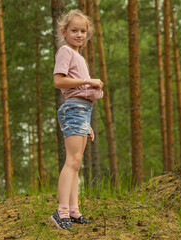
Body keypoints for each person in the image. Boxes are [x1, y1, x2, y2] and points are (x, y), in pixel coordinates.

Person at [50, 9, 104, 231]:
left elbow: (79, 94)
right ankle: (60, 212)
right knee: (71, 162)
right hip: (73, 110)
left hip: (82, 112)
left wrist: (87, 122)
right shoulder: (65, 51)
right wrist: (88, 80)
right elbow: (59, 82)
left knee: (76, 163)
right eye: (74, 30)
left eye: (83, 31)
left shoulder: (78, 56)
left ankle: (73, 211)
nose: (79, 34)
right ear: (64, 32)